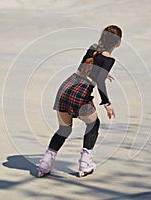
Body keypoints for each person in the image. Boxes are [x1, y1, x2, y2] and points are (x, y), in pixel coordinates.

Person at [38, 25, 122, 177]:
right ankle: (85, 164)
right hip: (81, 93)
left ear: (102, 37)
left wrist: (103, 74)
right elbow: (100, 82)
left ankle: (44, 164)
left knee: (64, 129)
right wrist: (107, 104)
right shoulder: (109, 60)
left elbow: (88, 66)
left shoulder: (93, 48)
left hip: (67, 86)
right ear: (118, 43)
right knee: (93, 123)